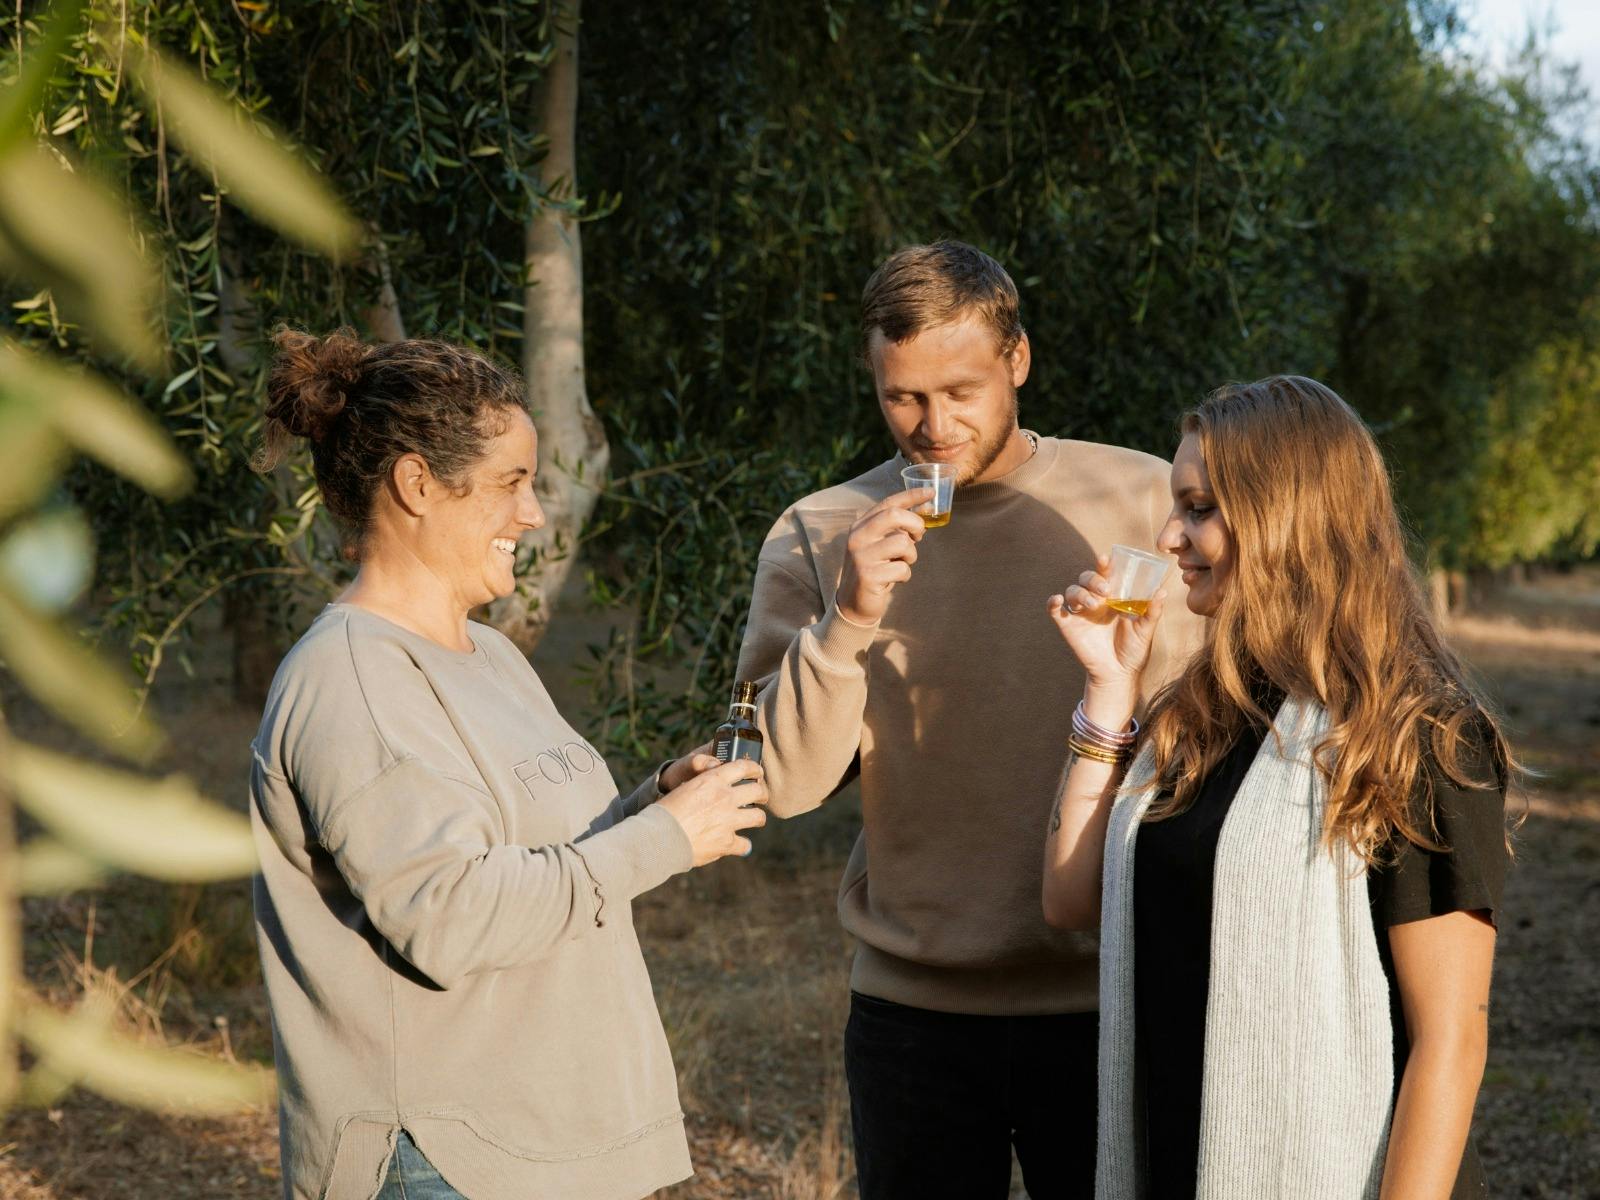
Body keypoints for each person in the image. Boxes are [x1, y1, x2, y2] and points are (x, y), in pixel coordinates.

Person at [733, 240, 1205, 1198]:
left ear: (1018, 360)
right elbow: (782, 784)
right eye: (902, 396)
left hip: (1112, 995)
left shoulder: (1145, 496)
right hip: (914, 1017)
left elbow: (1225, 729)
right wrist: (851, 617)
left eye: (961, 390)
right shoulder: (821, 531)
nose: (933, 425)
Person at [248, 329, 766, 1200]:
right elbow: (449, 917)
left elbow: (530, 850)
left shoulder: (489, 655)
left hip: (541, 1146)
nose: (533, 513)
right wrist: (665, 840)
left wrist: (656, 802)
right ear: (417, 484)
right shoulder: (351, 680)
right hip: (448, 1163)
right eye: (511, 483)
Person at [1042, 375, 1512, 1199]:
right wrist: (1108, 694)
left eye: (1198, 508)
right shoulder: (1196, 716)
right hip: (1177, 1160)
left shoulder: (1414, 734)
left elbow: (1451, 1042)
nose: (1168, 535)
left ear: (1285, 518)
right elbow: (1071, 901)